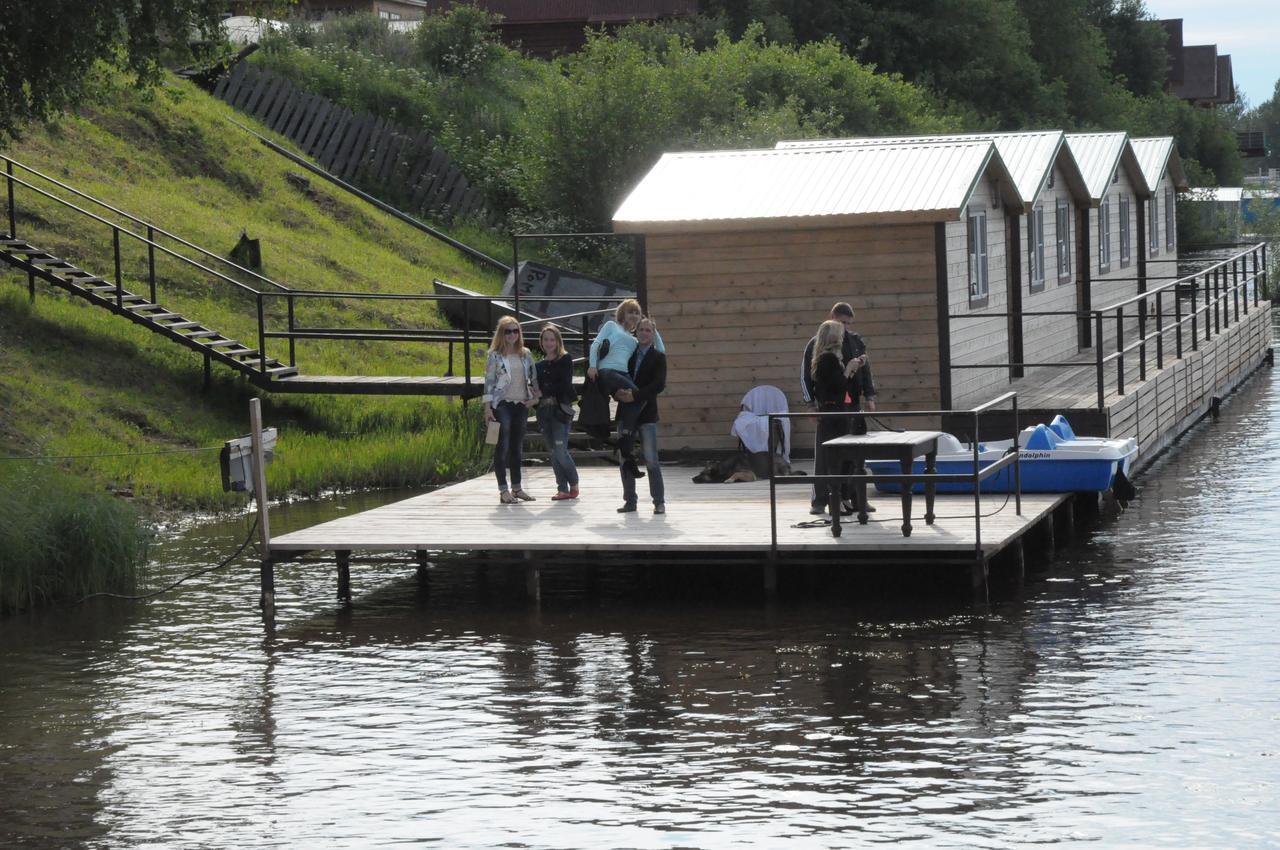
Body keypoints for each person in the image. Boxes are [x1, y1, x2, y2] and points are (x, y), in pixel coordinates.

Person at [799, 302, 877, 514]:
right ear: (832, 317)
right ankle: (820, 500)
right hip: (831, 405)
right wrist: (810, 404)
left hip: (851, 403)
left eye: (849, 324)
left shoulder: (855, 341)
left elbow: (865, 370)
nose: (846, 327)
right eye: (843, 323)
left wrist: (869, 394)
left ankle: (856, 496)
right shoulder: (819, 343)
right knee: (826, 455)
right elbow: (806, 376)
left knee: (855, 455)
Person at [587, 298, 666, 445]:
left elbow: (661, 350)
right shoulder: (611, 326)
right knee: (638, 395)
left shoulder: (634, 340)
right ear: (623, 313)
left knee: (636, 398)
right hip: (608, 371)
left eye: (637, 313)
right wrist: (592, 365)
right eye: (631, 311)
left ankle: (626, 434)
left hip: (623, 374)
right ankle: (627, 434)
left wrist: (653, 329)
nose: (634, 315)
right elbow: (596, 344)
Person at [482, 316, 538, 504]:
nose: (512, 334)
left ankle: (517, 488)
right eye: (508, 331)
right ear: (501, 333)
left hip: (521, 404)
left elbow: (533, 377)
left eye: (515, 331)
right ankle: (503, 490)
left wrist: (535, 398)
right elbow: (489, 382)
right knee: (502, 446)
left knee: (517, 448)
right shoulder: (495, 355)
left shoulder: (525, 353)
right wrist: (487, 408)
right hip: (502, 404)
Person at [615, 317, 666, 514]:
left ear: (653, 335)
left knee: (651, 459)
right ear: (635, 332)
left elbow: (658, 385)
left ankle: (659, 501)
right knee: (624, 458)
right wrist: (617, 393)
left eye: (648, 330)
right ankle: (630, 501)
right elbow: (614, 374)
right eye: (641, 329)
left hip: (646, 414)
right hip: (625, 412)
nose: (644, 333)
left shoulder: (658, 357)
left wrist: (634, 396)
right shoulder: (626, 353)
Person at [809, 320, 860, 517]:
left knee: (847, 459)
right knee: (835, 459)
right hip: (832, 414)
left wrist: (851, 369)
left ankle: (842, 496)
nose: (842, 337)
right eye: (839, 334)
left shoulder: (832, 358)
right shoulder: (826, 359)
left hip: (839, 412)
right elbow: (835, 387)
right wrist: (848, 370)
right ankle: (834, 498)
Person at [534, 323, 580, 501]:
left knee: (561, 449)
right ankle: (562, 488)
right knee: (553, 452)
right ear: (542, 342)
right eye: (546, 339)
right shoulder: (538, 365)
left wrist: (544, 390)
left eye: (552, 339)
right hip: (543, 411)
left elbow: (564, 384)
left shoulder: (565, 359)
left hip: (560, 410)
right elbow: (535, 387)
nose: (549, 342)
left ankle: (574, 482)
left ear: (557, 341)